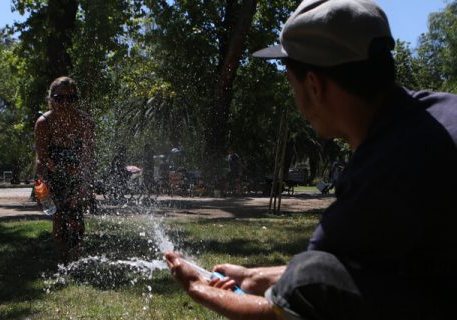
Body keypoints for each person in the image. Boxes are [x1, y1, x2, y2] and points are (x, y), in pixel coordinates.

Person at [165, 0, 457, 319]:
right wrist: (255, 277)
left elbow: (294, 302)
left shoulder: (379, 177)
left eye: (292, 84)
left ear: (314, 86)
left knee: (308, 269)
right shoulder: (440, 116)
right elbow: (361, 266)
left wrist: (197, 286)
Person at [35, 76, 95, 262]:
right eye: (59, 98)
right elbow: (41, 158)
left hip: (77, 173)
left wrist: (85, 184)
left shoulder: (85, 122)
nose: (65, 103)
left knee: (76, 216)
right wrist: (43, 185)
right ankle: (62, 261)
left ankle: (76, 260)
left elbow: (89, 158)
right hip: (51, 174)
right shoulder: (44, 123)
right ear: (51, 99)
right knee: (58, 216)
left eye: (71, 98)